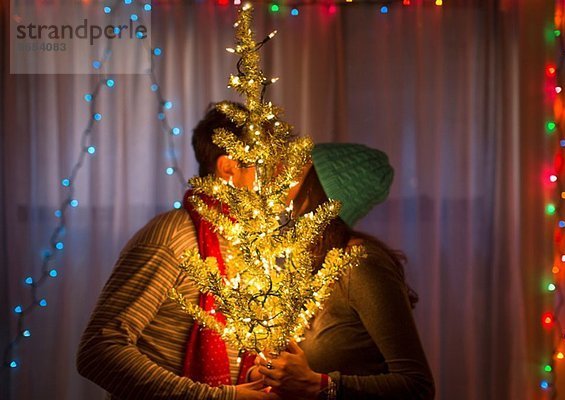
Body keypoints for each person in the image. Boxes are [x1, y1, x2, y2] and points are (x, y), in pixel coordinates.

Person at [76, 103, 278, 400]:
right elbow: (99, 350)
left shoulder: (249, 243)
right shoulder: (171, 237)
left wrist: (252, 373)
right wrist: (219, 398)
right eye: (265, 164)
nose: (276, 178)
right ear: (229, 167)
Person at [254, 143, 435, 399]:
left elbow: (418, 386)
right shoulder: (306, 262)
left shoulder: (361, 264)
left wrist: (319, 385)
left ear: (321, 194)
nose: (282, 177)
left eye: (297, 172)